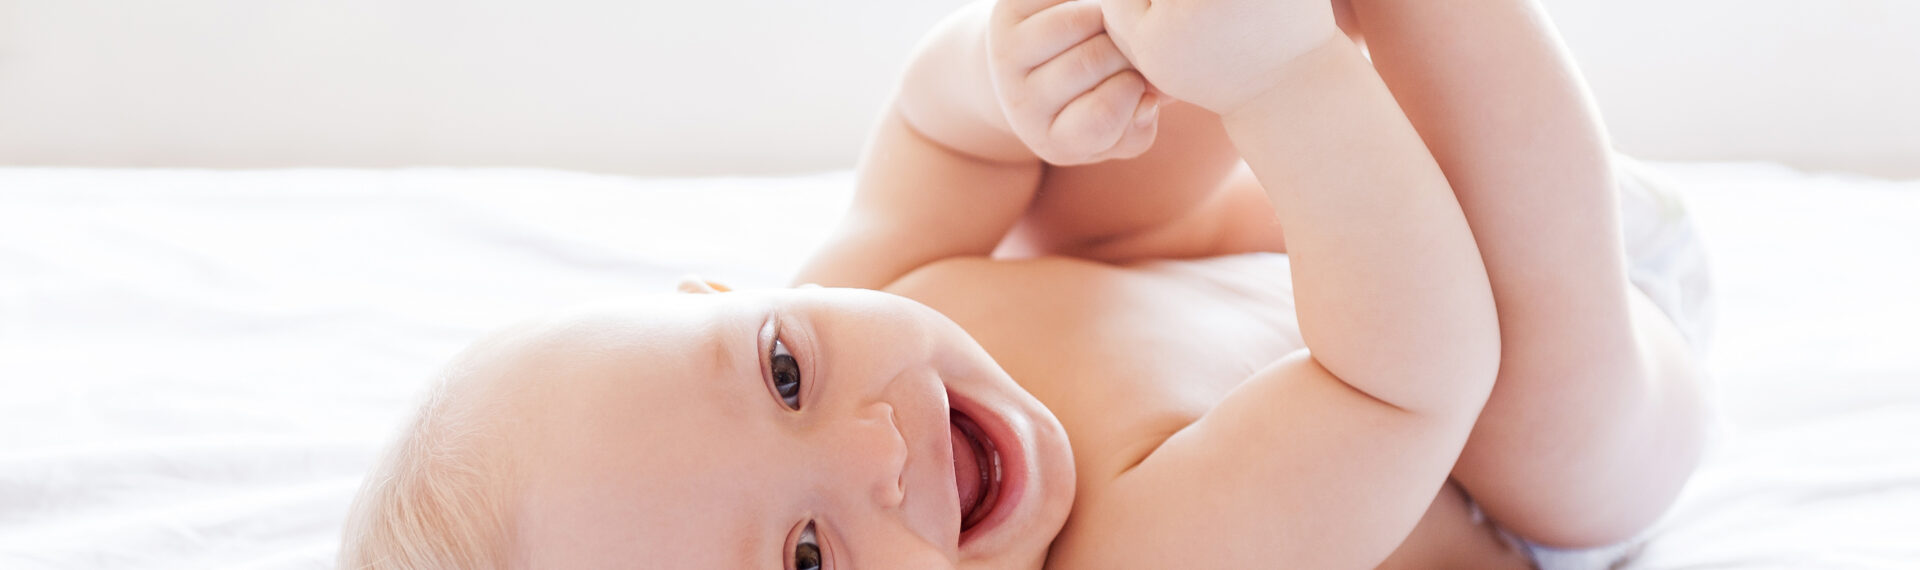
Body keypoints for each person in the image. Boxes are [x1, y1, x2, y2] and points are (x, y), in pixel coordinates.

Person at [339, 0, 1715, 567]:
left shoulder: (856, 292)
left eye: (780, 372)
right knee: (1550, 436)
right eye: (809, 558)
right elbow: (1407, 379)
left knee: (1067, 177)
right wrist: (1286, 82)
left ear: (722, 297)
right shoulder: (1130, 556)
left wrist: (1017, 80)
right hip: (1486, 408)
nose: (880, 448)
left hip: (1285, 240)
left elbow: (935, 133)